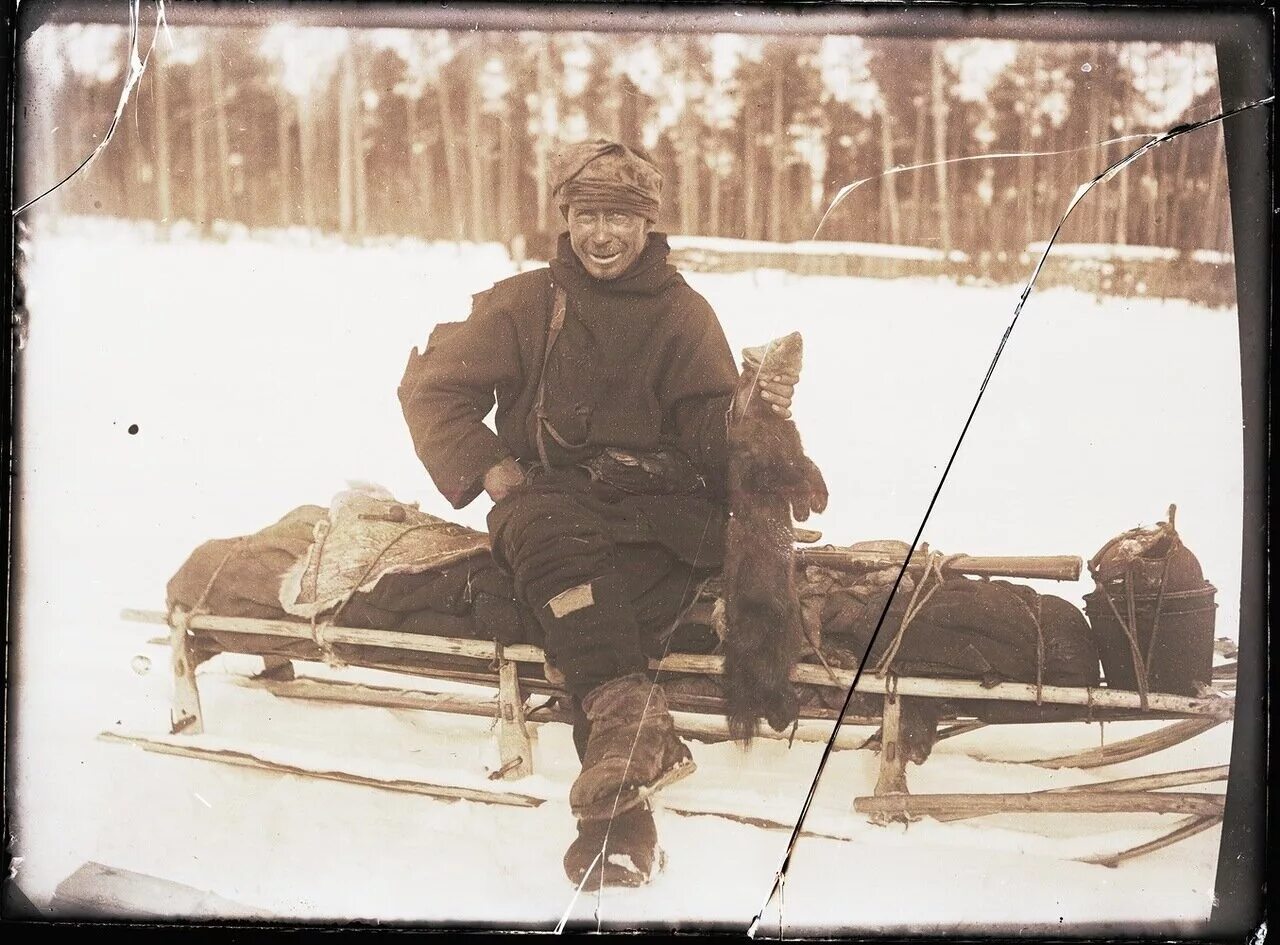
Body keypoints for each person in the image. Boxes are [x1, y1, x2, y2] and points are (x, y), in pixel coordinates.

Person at [399, 139, 796, 888]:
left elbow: (710, 438)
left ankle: (623, 780)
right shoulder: (523, 303)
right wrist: (486, 464)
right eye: (586, 215)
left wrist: (750, 413)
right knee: (566, 570)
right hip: (551, 508)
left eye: (619, 216)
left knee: (586, 617)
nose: (601, 234)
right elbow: (433, 389)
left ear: (648, 224)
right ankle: (621, 823)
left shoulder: (684, 314)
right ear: (565, 218)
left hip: (659, 517)